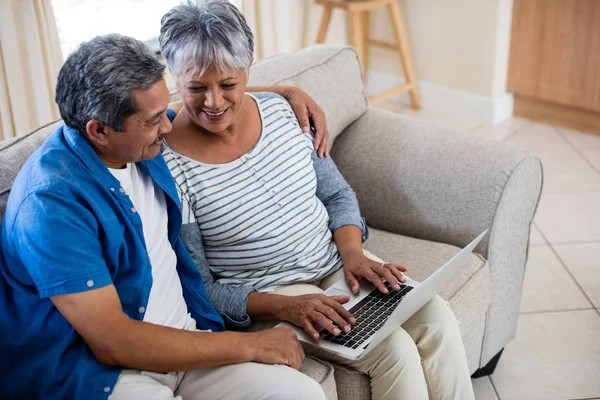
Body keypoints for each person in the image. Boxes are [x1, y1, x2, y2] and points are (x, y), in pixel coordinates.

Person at [159, 1, 476, 400]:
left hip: (337, 264)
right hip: (270, 294)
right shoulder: (167, 161)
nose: (214, 103)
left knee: (439, 320)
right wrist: (283, 307)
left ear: (249, 66)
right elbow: (200, 287)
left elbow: (336, 193)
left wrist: (355, 255)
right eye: (196, 88)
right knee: (393, 351)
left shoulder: (285, 112)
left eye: (227, 85)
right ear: (173, 76)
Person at [0, 33, 333, 400]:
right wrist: (253, 346)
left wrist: (285, 92)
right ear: (99, 131)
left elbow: (200, 99)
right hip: (103, 375)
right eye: (156, 119)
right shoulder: (51, 205)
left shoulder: (136, 141)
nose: (169, 125)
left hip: (188, 343)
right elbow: (113, 342)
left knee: (302, 394)